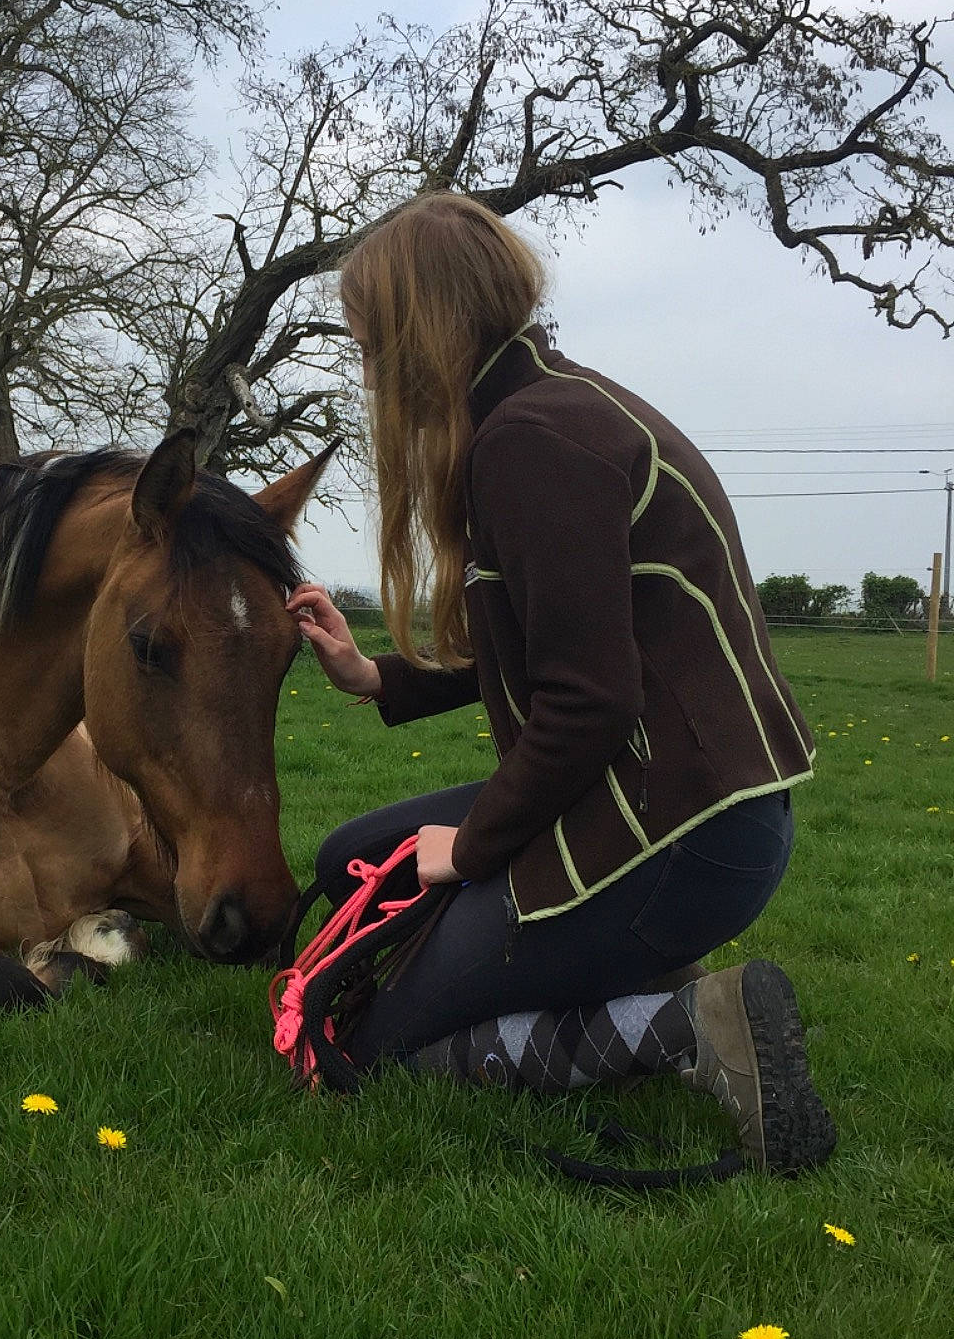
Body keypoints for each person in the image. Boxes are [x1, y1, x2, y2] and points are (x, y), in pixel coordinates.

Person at [287, 193, 835, 1174]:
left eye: (370, 346)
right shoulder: (547, 408)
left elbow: (589, 701)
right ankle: (627, 972)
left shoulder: (531, 441)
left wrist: (474, 849)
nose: (366, 374)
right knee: (349, 861)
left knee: (368, 1048)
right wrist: (375, 676)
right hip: (674, 804)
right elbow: (552, 641)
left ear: (419, 336)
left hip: (679, 832)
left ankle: (689, 1021)